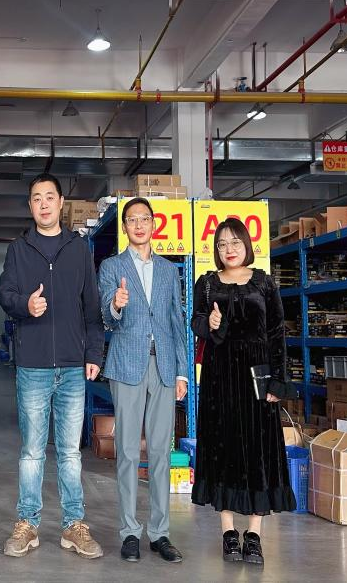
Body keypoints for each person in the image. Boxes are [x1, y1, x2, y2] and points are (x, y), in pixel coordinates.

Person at [0, 173, 105, 560]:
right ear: (30, 206)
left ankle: (74, 525)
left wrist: (94, 354)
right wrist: (25, 304)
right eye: (36, 198)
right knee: (32, 451)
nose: (43, 204)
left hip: (74, 366)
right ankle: (27, 524)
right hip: (33, 365)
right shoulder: (18, 250)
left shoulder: (78, 250)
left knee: (71, 452)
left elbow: (91, 307)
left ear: (61, 202)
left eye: (49, 197)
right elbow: (4, 294)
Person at [191, 217, 294, 567]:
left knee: (257, 450)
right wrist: (209, 324)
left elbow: (277, 333)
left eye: (235, 242)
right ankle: (228, 532)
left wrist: (278, 382)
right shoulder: (206, 283)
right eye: (222, 244)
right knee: (223, 448)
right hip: (219, 379)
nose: (229, 249)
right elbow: (196, 322)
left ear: (246, 245)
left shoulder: (264, 282)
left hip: (256, 379)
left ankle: (254, 534)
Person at [98, 198, 187, 564]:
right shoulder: (111, 266)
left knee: (162, 452)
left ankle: (160, 532)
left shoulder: (168, 270)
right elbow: (106, 318)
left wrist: (182, 371)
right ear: (125, 227)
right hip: (127, 366)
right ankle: (129, 532)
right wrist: (116, 304)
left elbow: (176, 321)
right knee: (128, 452)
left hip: (163, 366)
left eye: (144, 219)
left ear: (154, 224)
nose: (138, 225)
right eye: (132, 220)